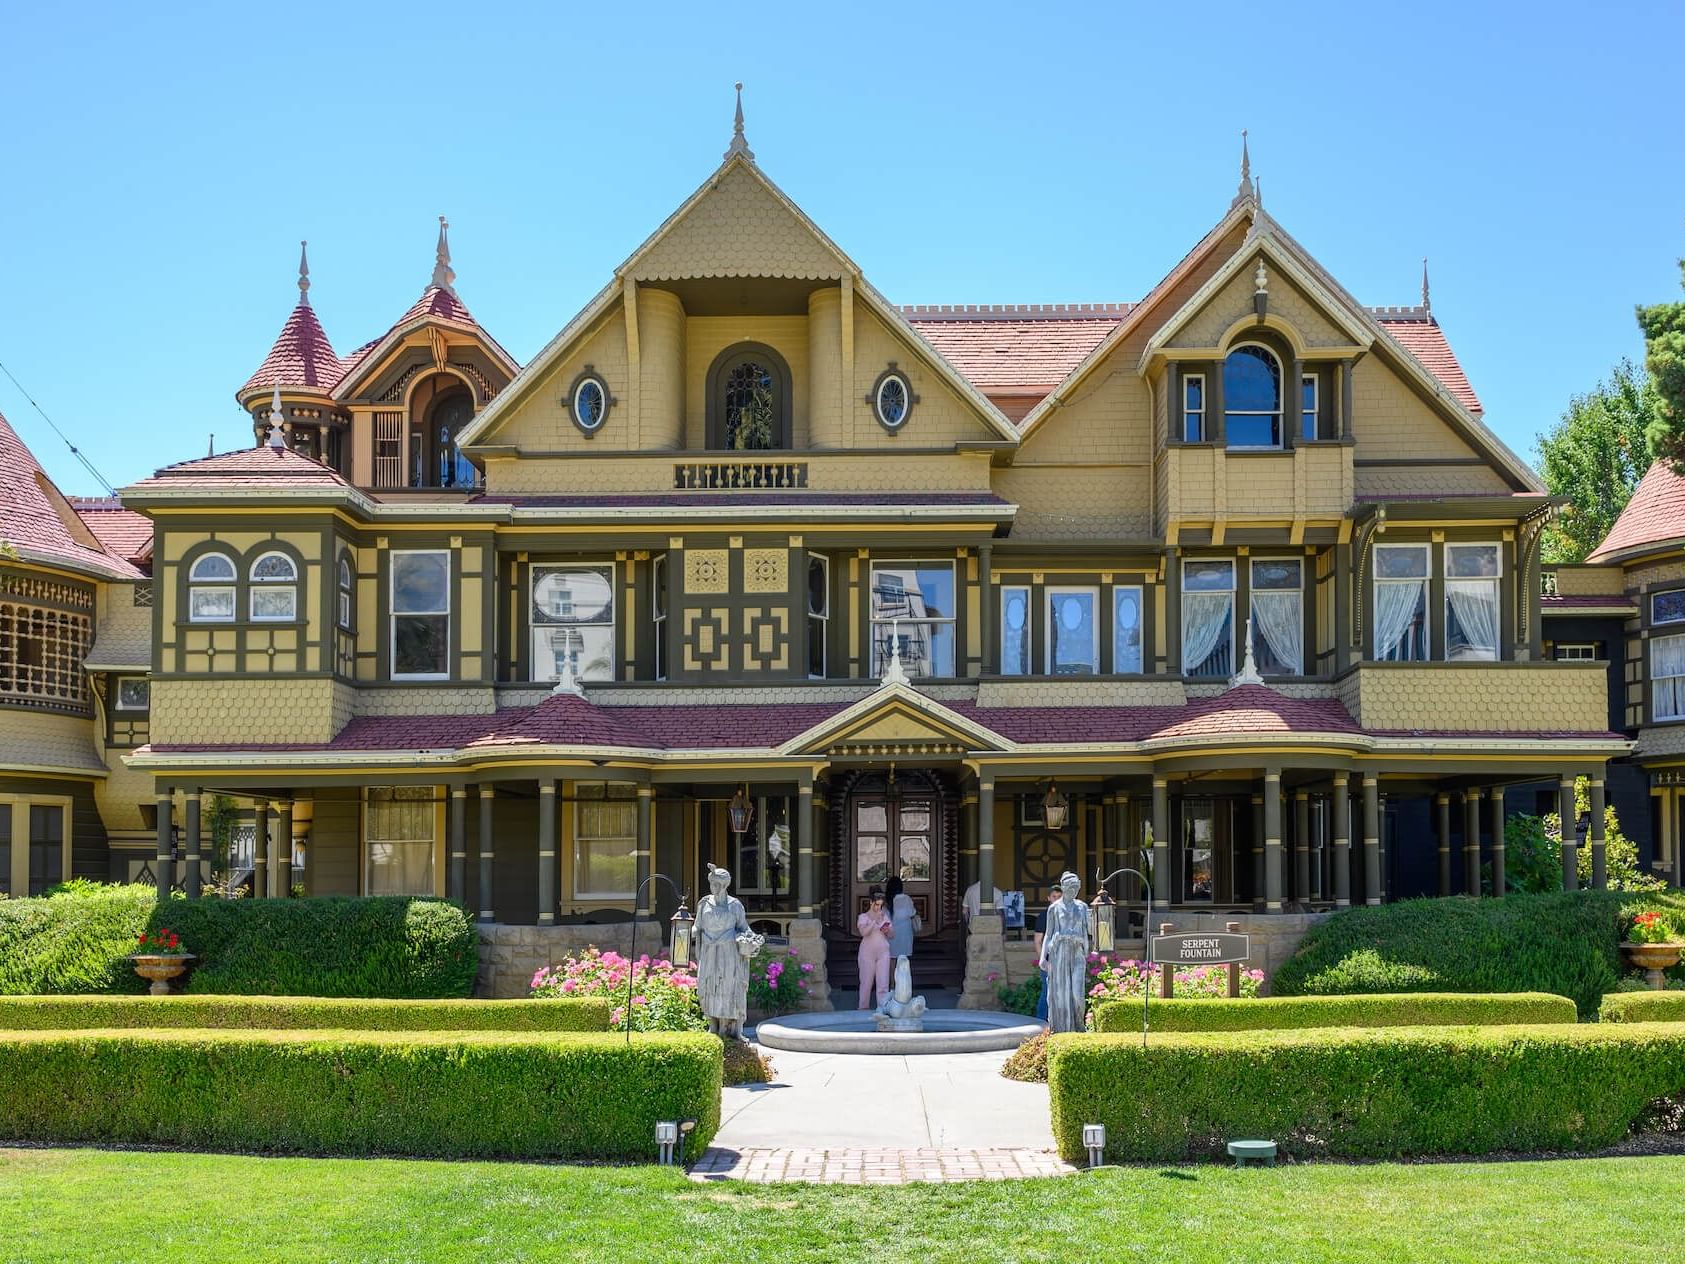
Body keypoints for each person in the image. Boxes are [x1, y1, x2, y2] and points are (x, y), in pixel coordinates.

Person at [695, 865, 760, 1038]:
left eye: (716, 884)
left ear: (724, 886)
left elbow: (744, 928)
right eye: (711, 883)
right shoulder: (704, 904)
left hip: (728, 953)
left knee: (727, 987)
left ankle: (726, 1026)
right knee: (708, 986)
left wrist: (753, 940)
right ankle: (712, 1024)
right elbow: (697, 926)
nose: (712, 888)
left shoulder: (735, 906)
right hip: (709, 952)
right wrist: (684, 930)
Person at [1038, 871, 1091, 1035]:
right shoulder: (1054, 908)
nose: (1073, 891)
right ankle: (1061, 1030)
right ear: (1063, 887)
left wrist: (1086, 950)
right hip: (1059, 952)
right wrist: (1043, 957)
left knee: (1077, 994)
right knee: (1060, 995)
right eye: (1070, 887)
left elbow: (1087, 931)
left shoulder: (1082, 907)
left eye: (1076, 887)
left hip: (1076, 952)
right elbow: (1048, 933)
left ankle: (1078, 1026)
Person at [856, 888, 893, 1010]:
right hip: (867, 954)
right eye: (876, 904)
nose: (878, 908)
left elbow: (892, 935)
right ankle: (862, 1009)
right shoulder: (863, 917)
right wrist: (874, 921)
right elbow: (863, 932)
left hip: (883, 953)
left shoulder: (885, 916)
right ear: (871, 902)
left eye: (881, 905)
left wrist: (887, 930)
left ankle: (882, 1010)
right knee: (866, 983)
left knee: (883, 985)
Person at [1031, 881, 1061, 1026]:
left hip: (1063, 959)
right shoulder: (1043, 917)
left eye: (1059, 896)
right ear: (1049, 898)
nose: (1057, 899)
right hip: (1049, 961)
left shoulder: (1064, 915)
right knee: (1047, 992)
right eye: (1054, 896)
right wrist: (1042, 960)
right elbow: (1038, 941)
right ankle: (1040, 1022)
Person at [886, 874, 921, 961]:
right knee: (904, 961)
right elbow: (912, 913)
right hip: (905, 934)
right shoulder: (906, 899)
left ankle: (891, 975)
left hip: (891, 935)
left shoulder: (887, 901)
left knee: (891, 959)